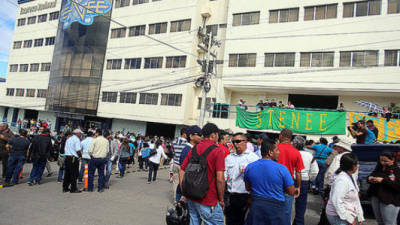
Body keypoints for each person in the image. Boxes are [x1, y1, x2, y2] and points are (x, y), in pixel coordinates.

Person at [179, 123, 225, 225]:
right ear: (214, 135)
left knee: (194, 221)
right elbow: (220, 179)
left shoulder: (194, 149)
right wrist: (221, 199)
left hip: (191, 196)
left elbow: (182, 170)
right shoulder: (218, 151)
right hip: (209, 200)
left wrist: (184, 190)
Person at [244, 138, 295, 225]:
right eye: (277, 150)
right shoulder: (282, 169)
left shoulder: (250, 167)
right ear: (270, 152)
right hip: (276, 209)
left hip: (257, 208)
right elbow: (291, 191)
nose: (279, 152)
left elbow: (248, 187)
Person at [225, 133, 259, 225]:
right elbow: (225, 176)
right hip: (230, 196)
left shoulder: (253, 158)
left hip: (244, 196)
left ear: (245, 142)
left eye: (238, 141)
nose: (236, 144)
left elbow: (256, 180)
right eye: (234, 142)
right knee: (229, 221)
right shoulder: (229, 158)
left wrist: (251, 197)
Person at [326, 153, 364, 225]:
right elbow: (336, 201)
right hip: (338, 215)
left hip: (347, 213)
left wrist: (359, 216)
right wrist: (348, 218)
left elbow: (355, 199)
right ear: (353, 166)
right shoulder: (342, 180)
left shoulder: (350, 176)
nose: (358, 166)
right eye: (357, 164)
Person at [277, 129, 304, 222]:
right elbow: (298, 172)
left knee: (272, 212)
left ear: (281, 136)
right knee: (286, 213)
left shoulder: (274, 149)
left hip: (274, 184)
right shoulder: (296, 152)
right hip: (288, 185)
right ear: (290, 138)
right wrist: (298, 187)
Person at [367, 151, 400, 225]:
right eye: (381, 160)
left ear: (392, 160)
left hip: (390, 200)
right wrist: (370, 178)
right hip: (376, 197)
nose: (383, 163)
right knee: (380, 222)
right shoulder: (379, 167)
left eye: (386, 161)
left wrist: (383, 180)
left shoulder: (397, 170)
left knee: (389, 222)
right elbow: (371, 175)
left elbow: (397, 185)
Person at [292, 136, 319, 225]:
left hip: (291, 180)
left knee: (286, 204)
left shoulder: (291, 153)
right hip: (304, 181)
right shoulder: (309, 155)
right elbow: (315, 171)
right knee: (301, 206)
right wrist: (309, 179)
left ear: (295, 144)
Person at [176, 125, 202, 202]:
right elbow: (184, 172)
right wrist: (184, 193)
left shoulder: (193, 149)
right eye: (199, 135)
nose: (201, 137)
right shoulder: (187, 151)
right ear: (191, 136)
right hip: (185, 192)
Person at [63, 129, 82, 193]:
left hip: (67, 157)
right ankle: (73, 188)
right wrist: (80, 156)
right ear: (77, 133)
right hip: (73, 158)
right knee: (74, 174)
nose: (81, 135)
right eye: (80, 133)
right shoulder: (76, 139)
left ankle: (65, 187)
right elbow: (78, 150)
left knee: (67, 173)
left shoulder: (69, 139)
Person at [172, 128, 187, 200]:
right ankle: (181, 199)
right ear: (184, 134)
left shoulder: (174, 141)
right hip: (182, 165)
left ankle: (175, 198)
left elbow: (173, 151)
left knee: (175, 182)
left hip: (175, 163)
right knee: (182, 182)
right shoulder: (186, 143)